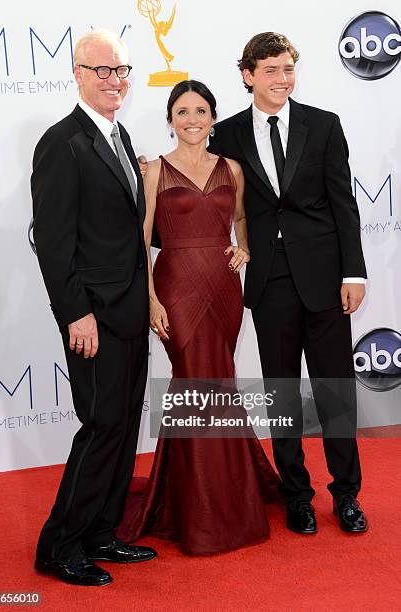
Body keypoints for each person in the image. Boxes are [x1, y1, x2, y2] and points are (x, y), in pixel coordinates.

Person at [208, 32, 368, 534]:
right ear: (248, 75)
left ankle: (346, 495)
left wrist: (354, 271)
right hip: (270, 280)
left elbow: (344, 202)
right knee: (281, 393)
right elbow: (202, 178)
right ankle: (296, 493)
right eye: (271, 70)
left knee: (334, 391)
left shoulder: (323, 126)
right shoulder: (228, 134)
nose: (282, 79)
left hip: (325, 279)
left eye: (288, 69)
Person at [118, 80, 280, 556]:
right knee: (194, 378)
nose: (193, 120)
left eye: (202, 111)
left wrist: (243, 247)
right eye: (183, 112)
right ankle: (201, 506)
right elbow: (140, 239)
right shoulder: (154, 171)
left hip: (223, 287)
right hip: (176, 287)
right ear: (170, 119)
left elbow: (244, 218)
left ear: (213, 118)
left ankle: (220, 497)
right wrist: (150, 298)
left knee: (219, 381)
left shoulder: (231, 168)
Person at [31, 28, 156, 587]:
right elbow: (54, 243)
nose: (115, 81)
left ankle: (102, 531)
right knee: (101, 425)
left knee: (125, 425)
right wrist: (74, 313)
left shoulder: (120, 136)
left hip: (129, 310)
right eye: (102, 71)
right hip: (94, 317)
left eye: (122, 71)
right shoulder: (63, 142)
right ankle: (60, 544)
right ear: (77, 74)